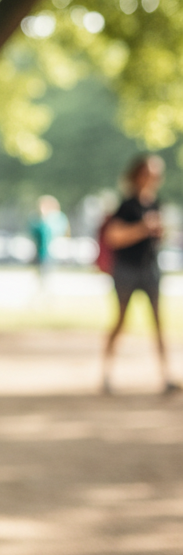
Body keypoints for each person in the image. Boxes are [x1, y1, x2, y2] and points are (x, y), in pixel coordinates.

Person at [101, 154, 178, 394]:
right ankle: (106, 374)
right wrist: (143, 228)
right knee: (121, 320)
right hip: (127, 270)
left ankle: (166, 376)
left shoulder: (156, 204)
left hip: (150, 268)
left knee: (157, 322)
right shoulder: (127, 205)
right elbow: (114, 236)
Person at [29, 194, 68, 285]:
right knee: (42, 269)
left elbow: (57, 232)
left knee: (48, 269)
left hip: (52, 249)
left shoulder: (56, 218)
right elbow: (34, 232)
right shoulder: (38, 219)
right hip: (41, 249)